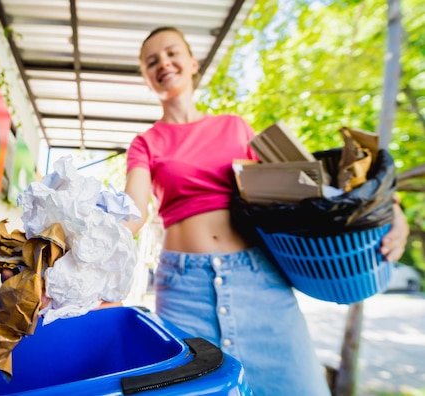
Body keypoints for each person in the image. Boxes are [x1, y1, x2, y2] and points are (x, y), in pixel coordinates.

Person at [123, 26, 409, 396]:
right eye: (152, 61)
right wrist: (75, 248)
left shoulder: (234, 127)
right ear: (146, 78)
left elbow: (305, 186)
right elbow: (131, 211)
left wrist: (391, 208)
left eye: (172, 53)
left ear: (192, 63)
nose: (164, 63)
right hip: (183, 289)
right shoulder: (145, 143)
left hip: (257, 278)